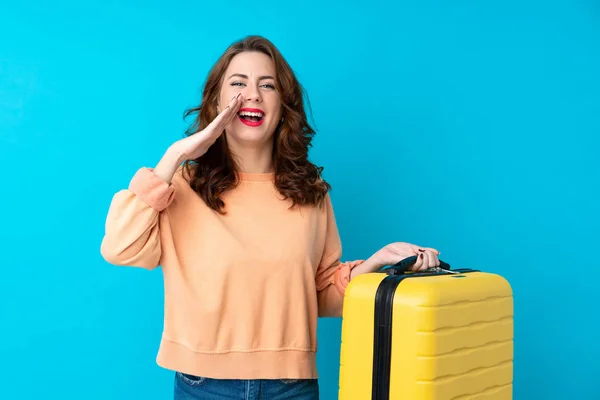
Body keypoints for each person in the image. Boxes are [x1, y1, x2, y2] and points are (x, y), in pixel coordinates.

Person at [100, 35, 441, 400]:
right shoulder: (181, 185)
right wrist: (176, 155)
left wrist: (376, 262)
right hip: (204, 387)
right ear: (217, 101)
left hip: (292, 387)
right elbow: (120, 248)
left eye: (268, 85)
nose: (253, 95)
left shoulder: (311, 190)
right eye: (238, 84)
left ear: (283, 105)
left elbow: (321, 291)